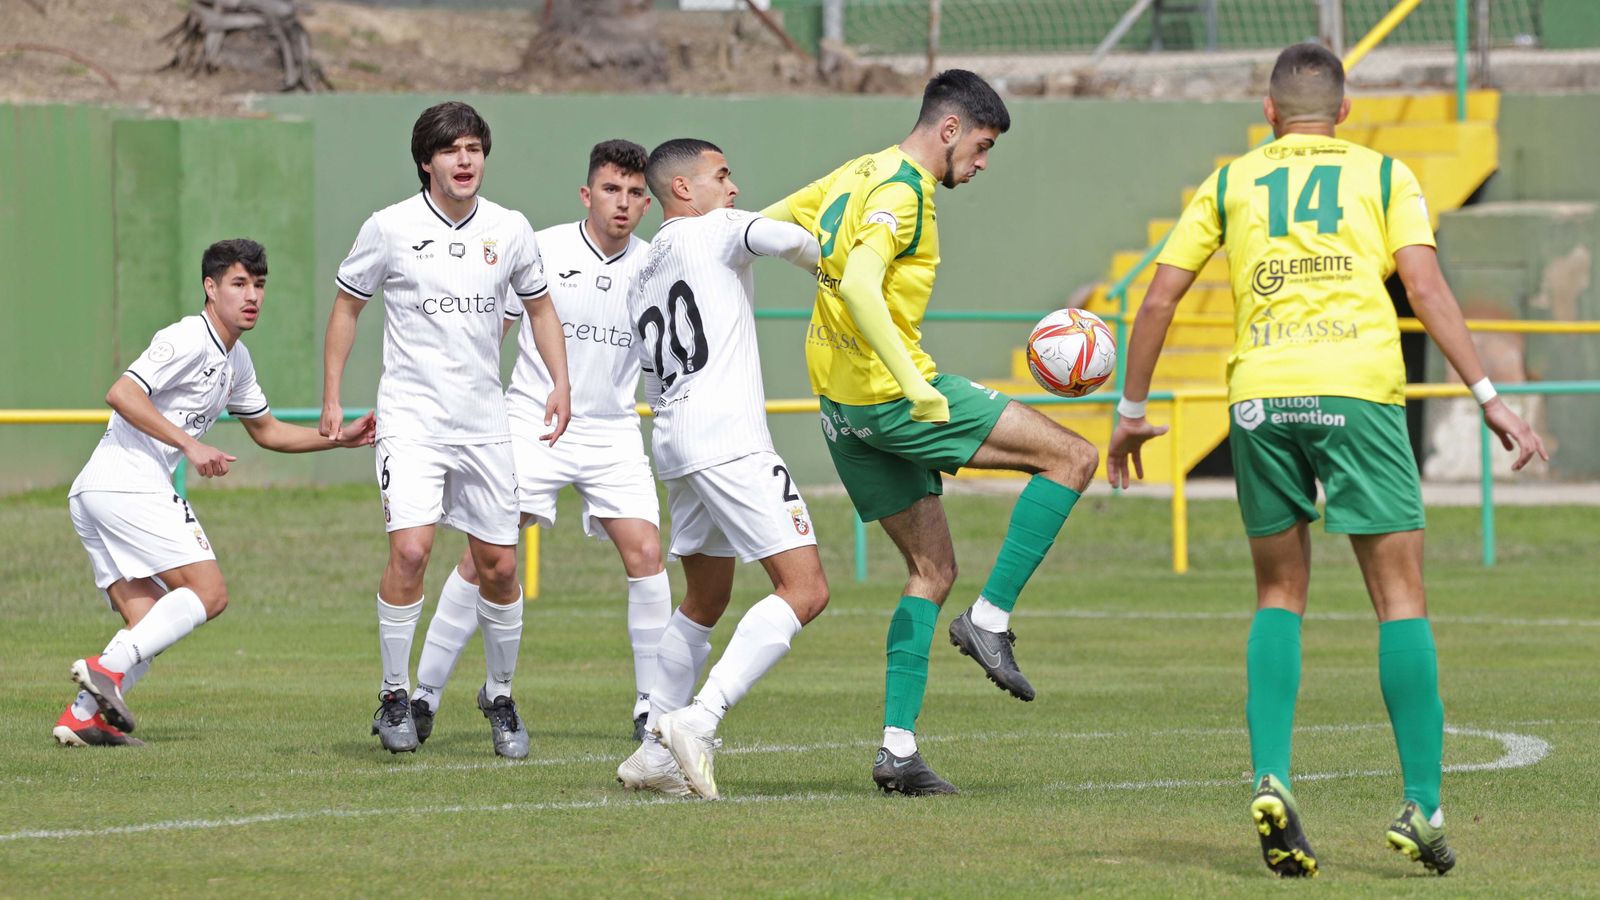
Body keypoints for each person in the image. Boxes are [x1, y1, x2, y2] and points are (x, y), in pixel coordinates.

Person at [1106, 43, 1547, 878]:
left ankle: (1272, 774)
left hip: (1261, 399)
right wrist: (1491, 397)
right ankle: (1423, 806)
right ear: (1345, 111)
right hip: (1356, 395)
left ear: (1267, 112)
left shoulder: (1231, 180)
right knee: (1400, 599)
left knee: (1278, 592)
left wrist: (1129, 415)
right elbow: (1425, 289)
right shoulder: (1384, 176)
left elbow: (1159, 294)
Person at [763, 70, 1097, 795]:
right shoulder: (903, 191)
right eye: (980, 148)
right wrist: (916, 386)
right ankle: (991, 617)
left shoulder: (858, 171)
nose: (979, 165)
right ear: (948, 130)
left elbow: (770, 225)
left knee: (930, 572)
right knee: (1073, 456)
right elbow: (857, 284)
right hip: (894, 399)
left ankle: (898, 751)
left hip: (842, 411)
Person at [321, 101, 572, 757]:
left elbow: (540, 308)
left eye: (475, 149)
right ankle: (394, 693)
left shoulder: (510, 229)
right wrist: (331, 396)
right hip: (411, 418)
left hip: (483, 423)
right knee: (410, 551)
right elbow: (348, 306)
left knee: (498, 565)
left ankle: (502, 696)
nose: (466, 161)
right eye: (453, 150)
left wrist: (560, 382)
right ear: (427, 161)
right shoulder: (389, 227)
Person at [57, 238, 376, 748]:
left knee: (150, 623)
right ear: (210, 288)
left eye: (259, 285)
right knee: (209, 593)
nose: (252, 296)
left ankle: (80, 718)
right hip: (125, 481)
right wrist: (189, 445)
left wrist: (338, 439)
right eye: (239, 284)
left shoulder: (237, 359)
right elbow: (121, 393)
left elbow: (267, 430)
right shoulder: (186, 337)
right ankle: (104, 670)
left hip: (96, 492)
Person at [412, 139, 671, 743]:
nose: (624, 203)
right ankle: (422, 696)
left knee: (647, 556)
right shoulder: (544, 249)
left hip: (612, 431)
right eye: (611, 190)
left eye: (636, 193)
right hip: (533, 423)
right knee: (485, 558)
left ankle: (651, 706)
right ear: (587, 194)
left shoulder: (654, 264)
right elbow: (492, 329)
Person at [614, 139, 827, 801]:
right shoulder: (722, 228)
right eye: (722, 176)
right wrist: (855, 256)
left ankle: (653, 748)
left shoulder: (642, 269)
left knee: (705, 599)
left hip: (676, 440)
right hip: (730, 442)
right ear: (683, 188)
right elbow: (797, 243)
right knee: (806, 589)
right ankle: (698, 721)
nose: (733, 189)